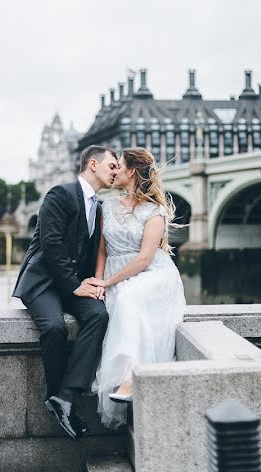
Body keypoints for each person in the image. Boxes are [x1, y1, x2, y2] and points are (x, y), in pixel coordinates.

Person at [13, 145, 118, 440]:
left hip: (73, 282)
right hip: (44, 281)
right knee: (55, 327)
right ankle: (55, 396)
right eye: (112, 165)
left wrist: (94, 284)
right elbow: (52, 246)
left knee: (98, 315)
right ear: (93, 165)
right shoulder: (60, 194)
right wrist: (75, 285)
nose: (116, 171)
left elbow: (88, 252)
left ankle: (68, 397)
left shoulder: (97, 207)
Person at [87, 147, 187, 429]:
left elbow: (145, 258)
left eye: (118, 165)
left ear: (131, 171)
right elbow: (102, 251)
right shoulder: (108, 206)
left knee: (129, 299)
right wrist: (98, 282)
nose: (114, 170)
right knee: (120, 303)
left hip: (152, 276)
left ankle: (130, 378)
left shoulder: (154, 211)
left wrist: (108, 282)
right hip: (115, 275)